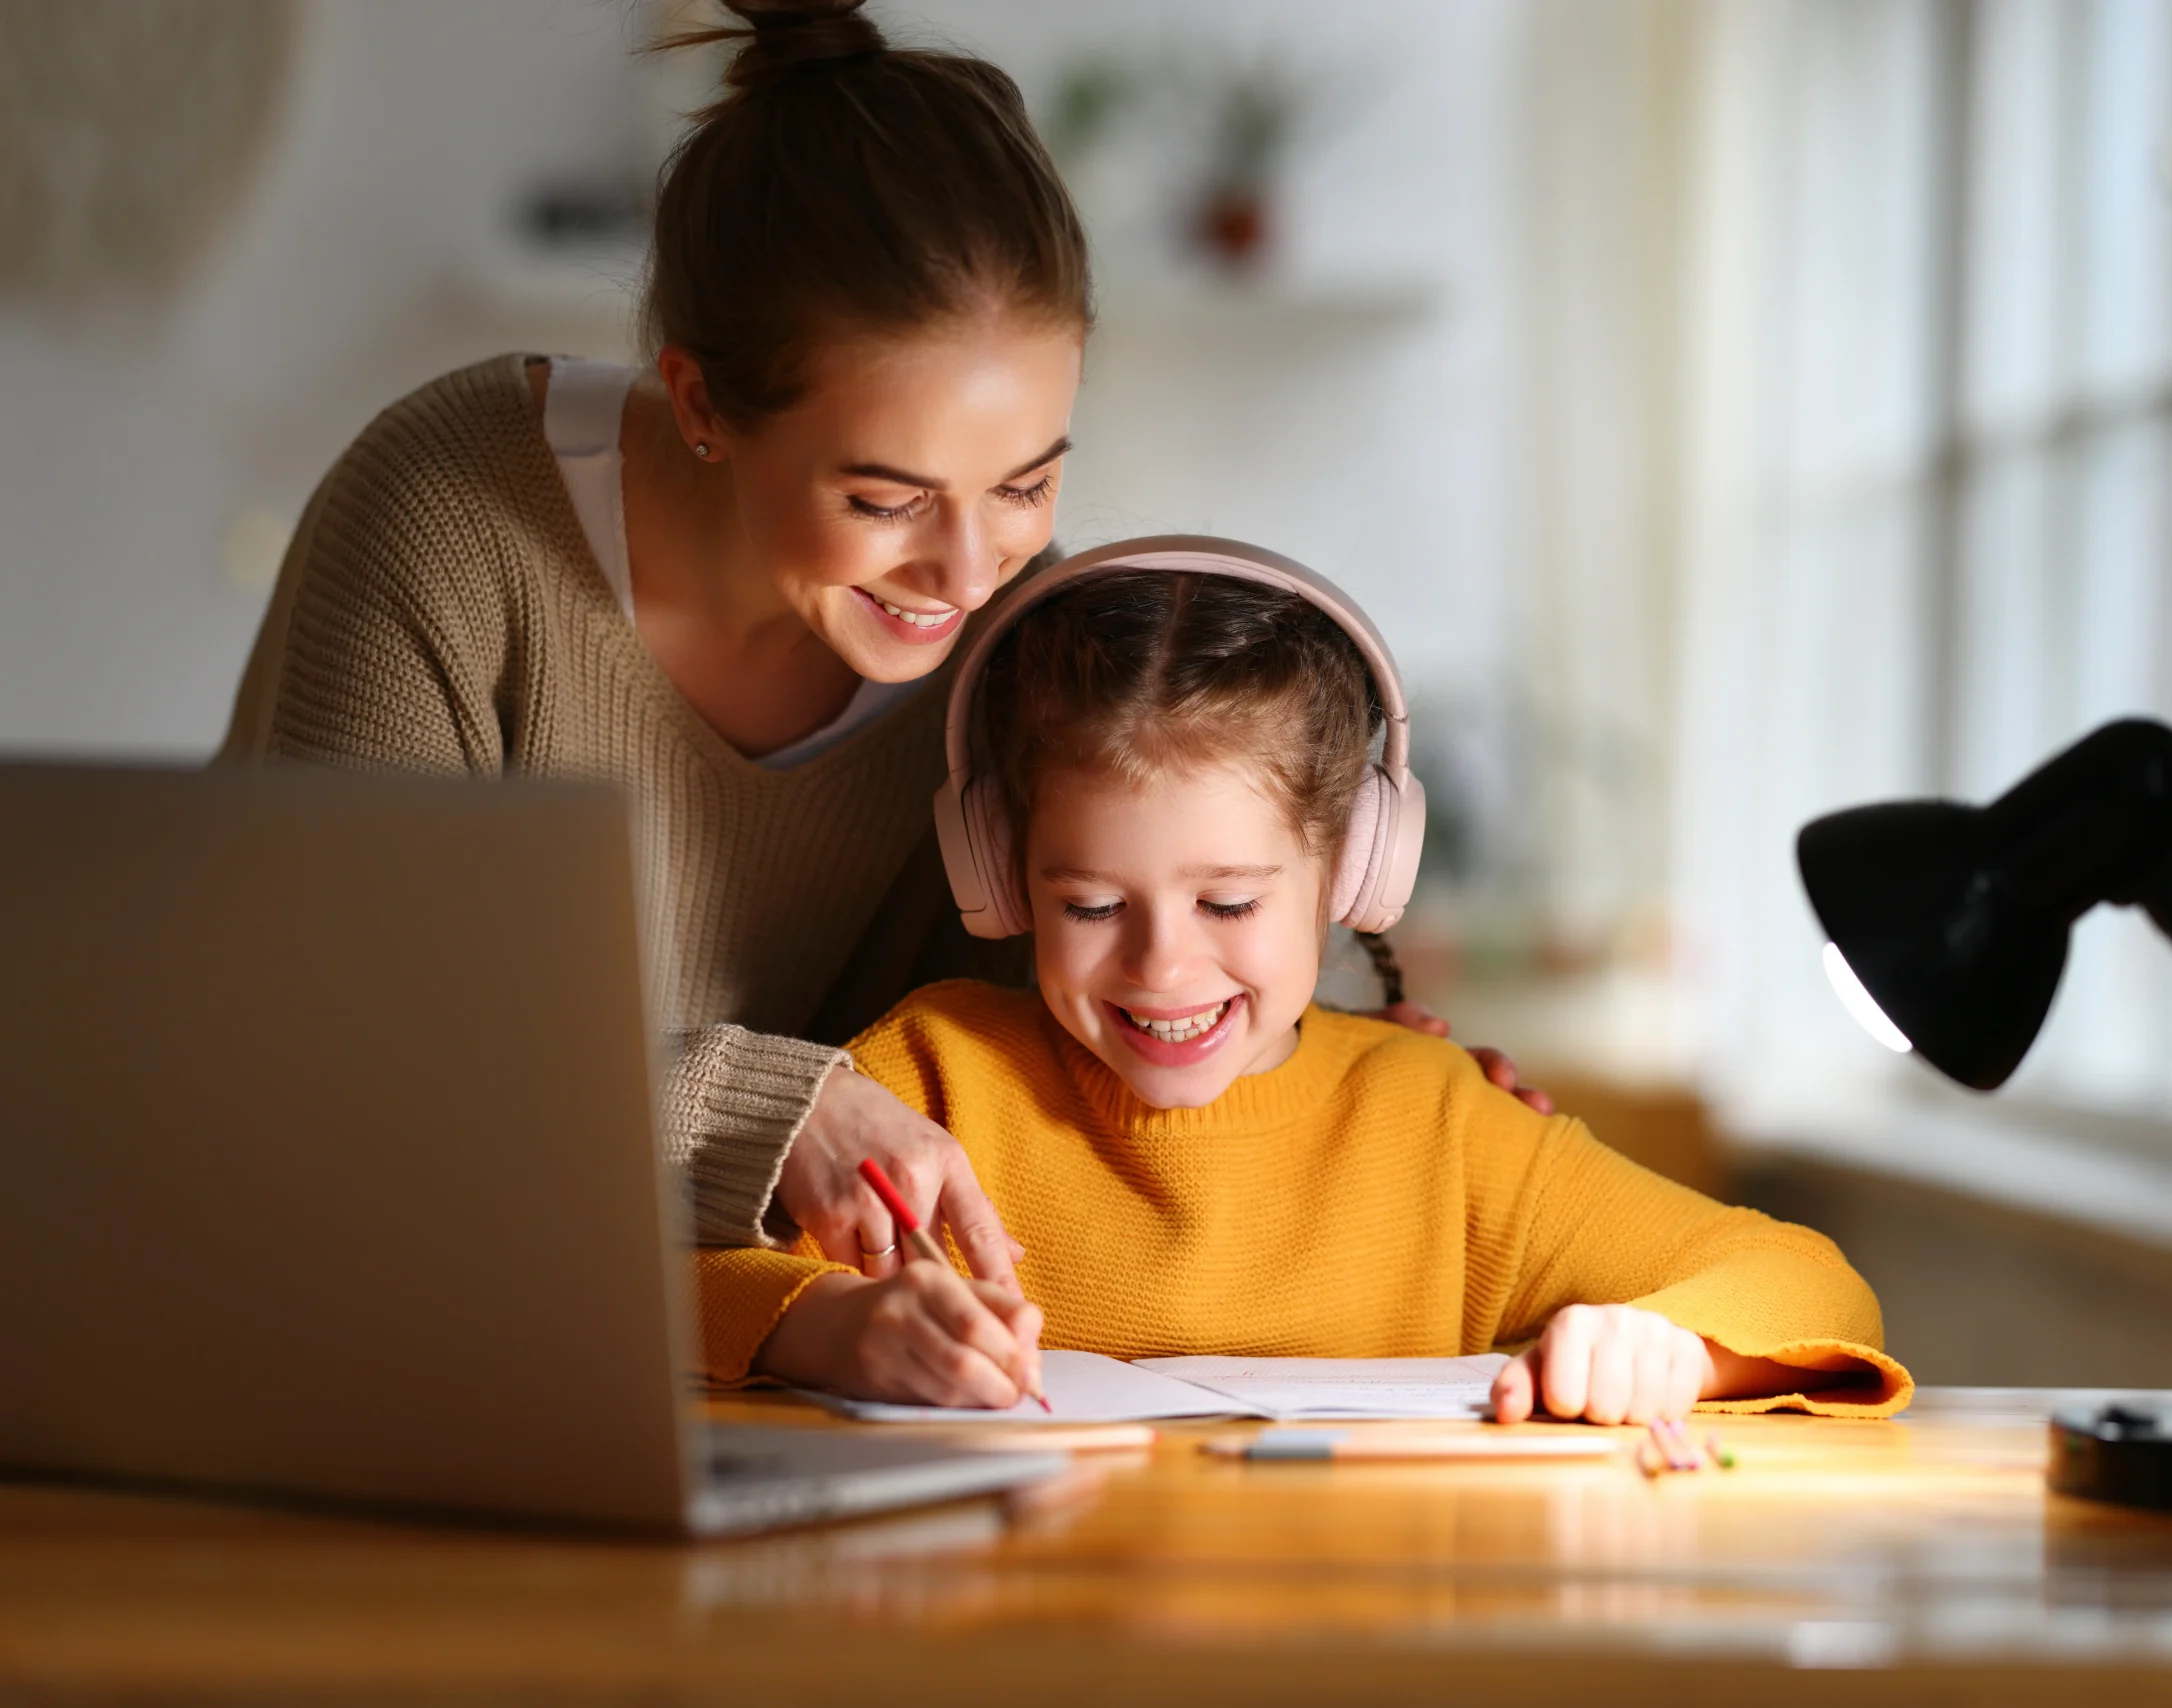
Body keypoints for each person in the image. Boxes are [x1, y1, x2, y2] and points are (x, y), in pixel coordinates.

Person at [216, 2, 1539, 1287]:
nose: (966, 576)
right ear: (701, 402)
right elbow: (344, 1054)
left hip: (787, 1353)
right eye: (884, 500)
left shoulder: (1026, 648)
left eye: (1025, 484)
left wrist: (1359, 1071)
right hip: (371, 1307)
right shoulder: (449, 519)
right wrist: (780, 1107)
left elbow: (1133, 983)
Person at [695, 549, 1913, 1425]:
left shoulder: (1440, 1125)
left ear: (1353, 872)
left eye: (1229, 903)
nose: (1161, 967)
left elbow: (1813, 1281)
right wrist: (830, 1326)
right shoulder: (932, 1077)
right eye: (1092, 906)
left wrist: (1673, 1349)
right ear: (1000, 876)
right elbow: (663, 1286)